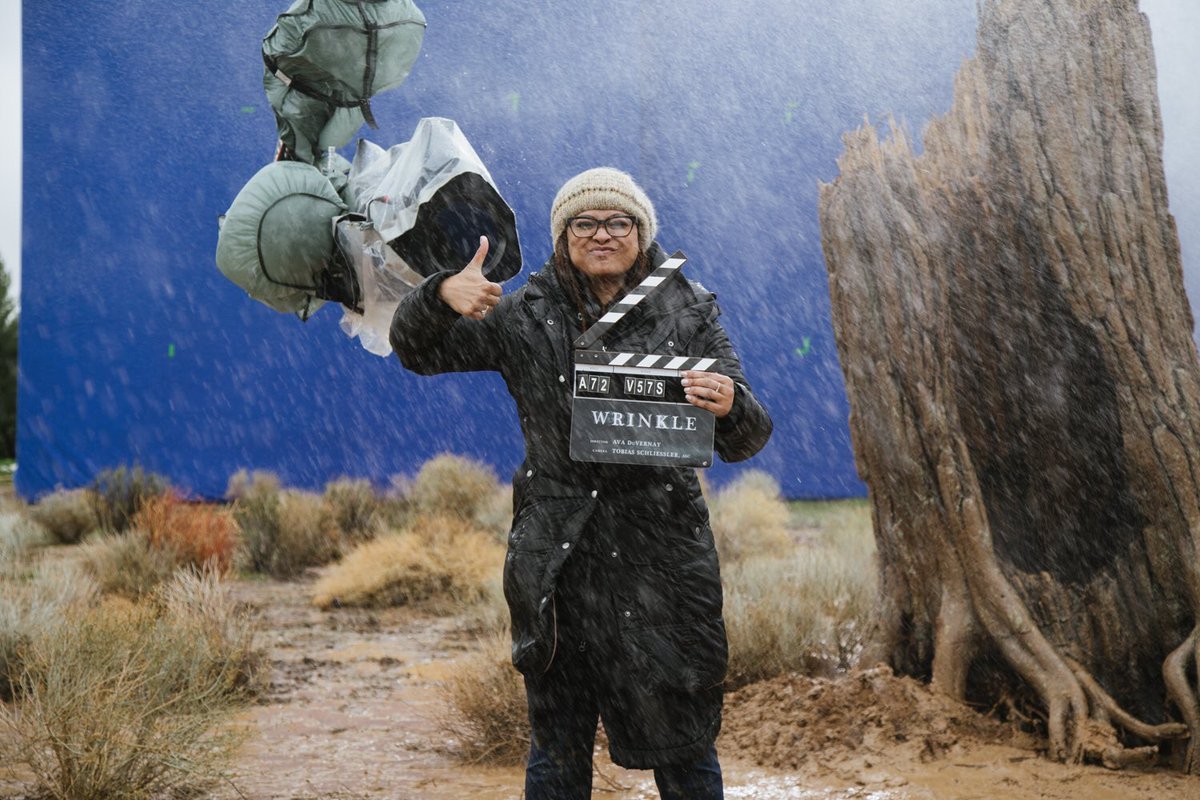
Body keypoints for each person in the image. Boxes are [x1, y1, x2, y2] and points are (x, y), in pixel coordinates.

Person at [389, 167, 772, 799]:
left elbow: (747, 437)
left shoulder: (688, 308)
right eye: (584, 222)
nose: (602, 234)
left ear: (640, 232)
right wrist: (436, 298)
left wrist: (731, 403)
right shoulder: (525, 315)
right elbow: (418, 352)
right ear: (563, 235)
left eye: (617, 221)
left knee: (686, 746)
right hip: (559, 569)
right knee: (558, 751)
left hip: (664, 567)